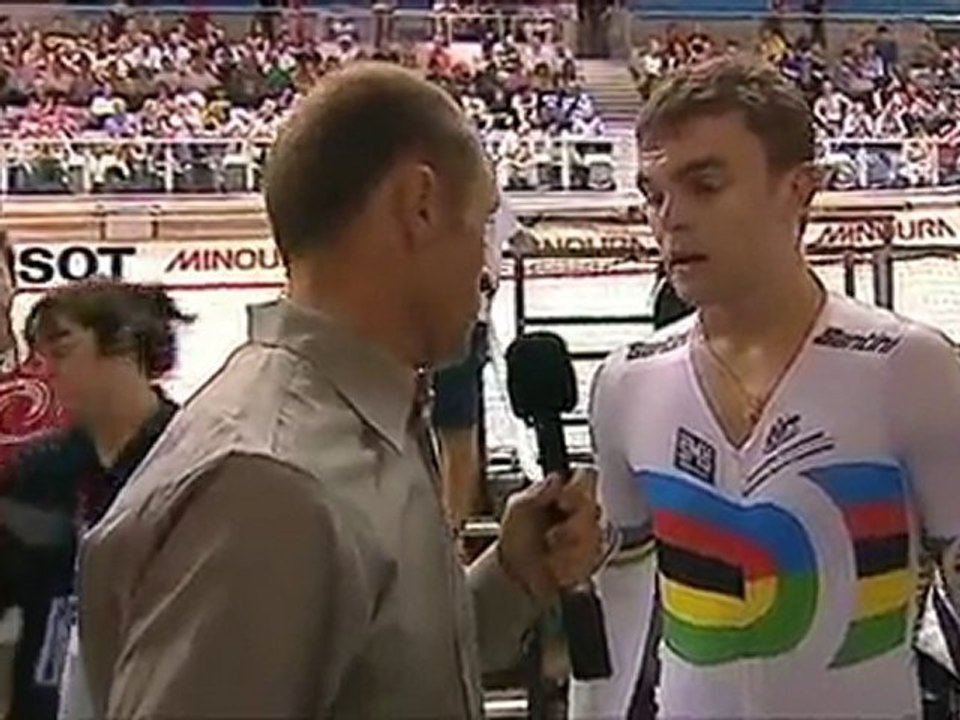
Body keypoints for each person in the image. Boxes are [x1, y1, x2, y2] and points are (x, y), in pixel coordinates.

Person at [78, 63, 602, 720]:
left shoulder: (355, 426)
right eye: (483, 223)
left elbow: (371, 675)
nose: (489, 266)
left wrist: (511, 579)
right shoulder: (267, 485)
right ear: (420, 205)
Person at [569, 56, 960, 719]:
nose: (671, 218)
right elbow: (622, 601)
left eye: (706, 184)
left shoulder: (911, 368)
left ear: (799, 191)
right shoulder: (624, 385)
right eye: (654, 193)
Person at [0, 279, 189, 720]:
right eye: (41, 355)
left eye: (62, 352)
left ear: (125, 347)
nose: (46, 371)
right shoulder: (39, 473)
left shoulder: (197, 465)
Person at [432, 193, 522, 534]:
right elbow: (522, 240)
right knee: (456, 429)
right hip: (461, 318)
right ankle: (453, 525)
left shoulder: (475, 196)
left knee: (450, 428)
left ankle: (451, 526)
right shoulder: (484, 197)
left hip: (451, 319)